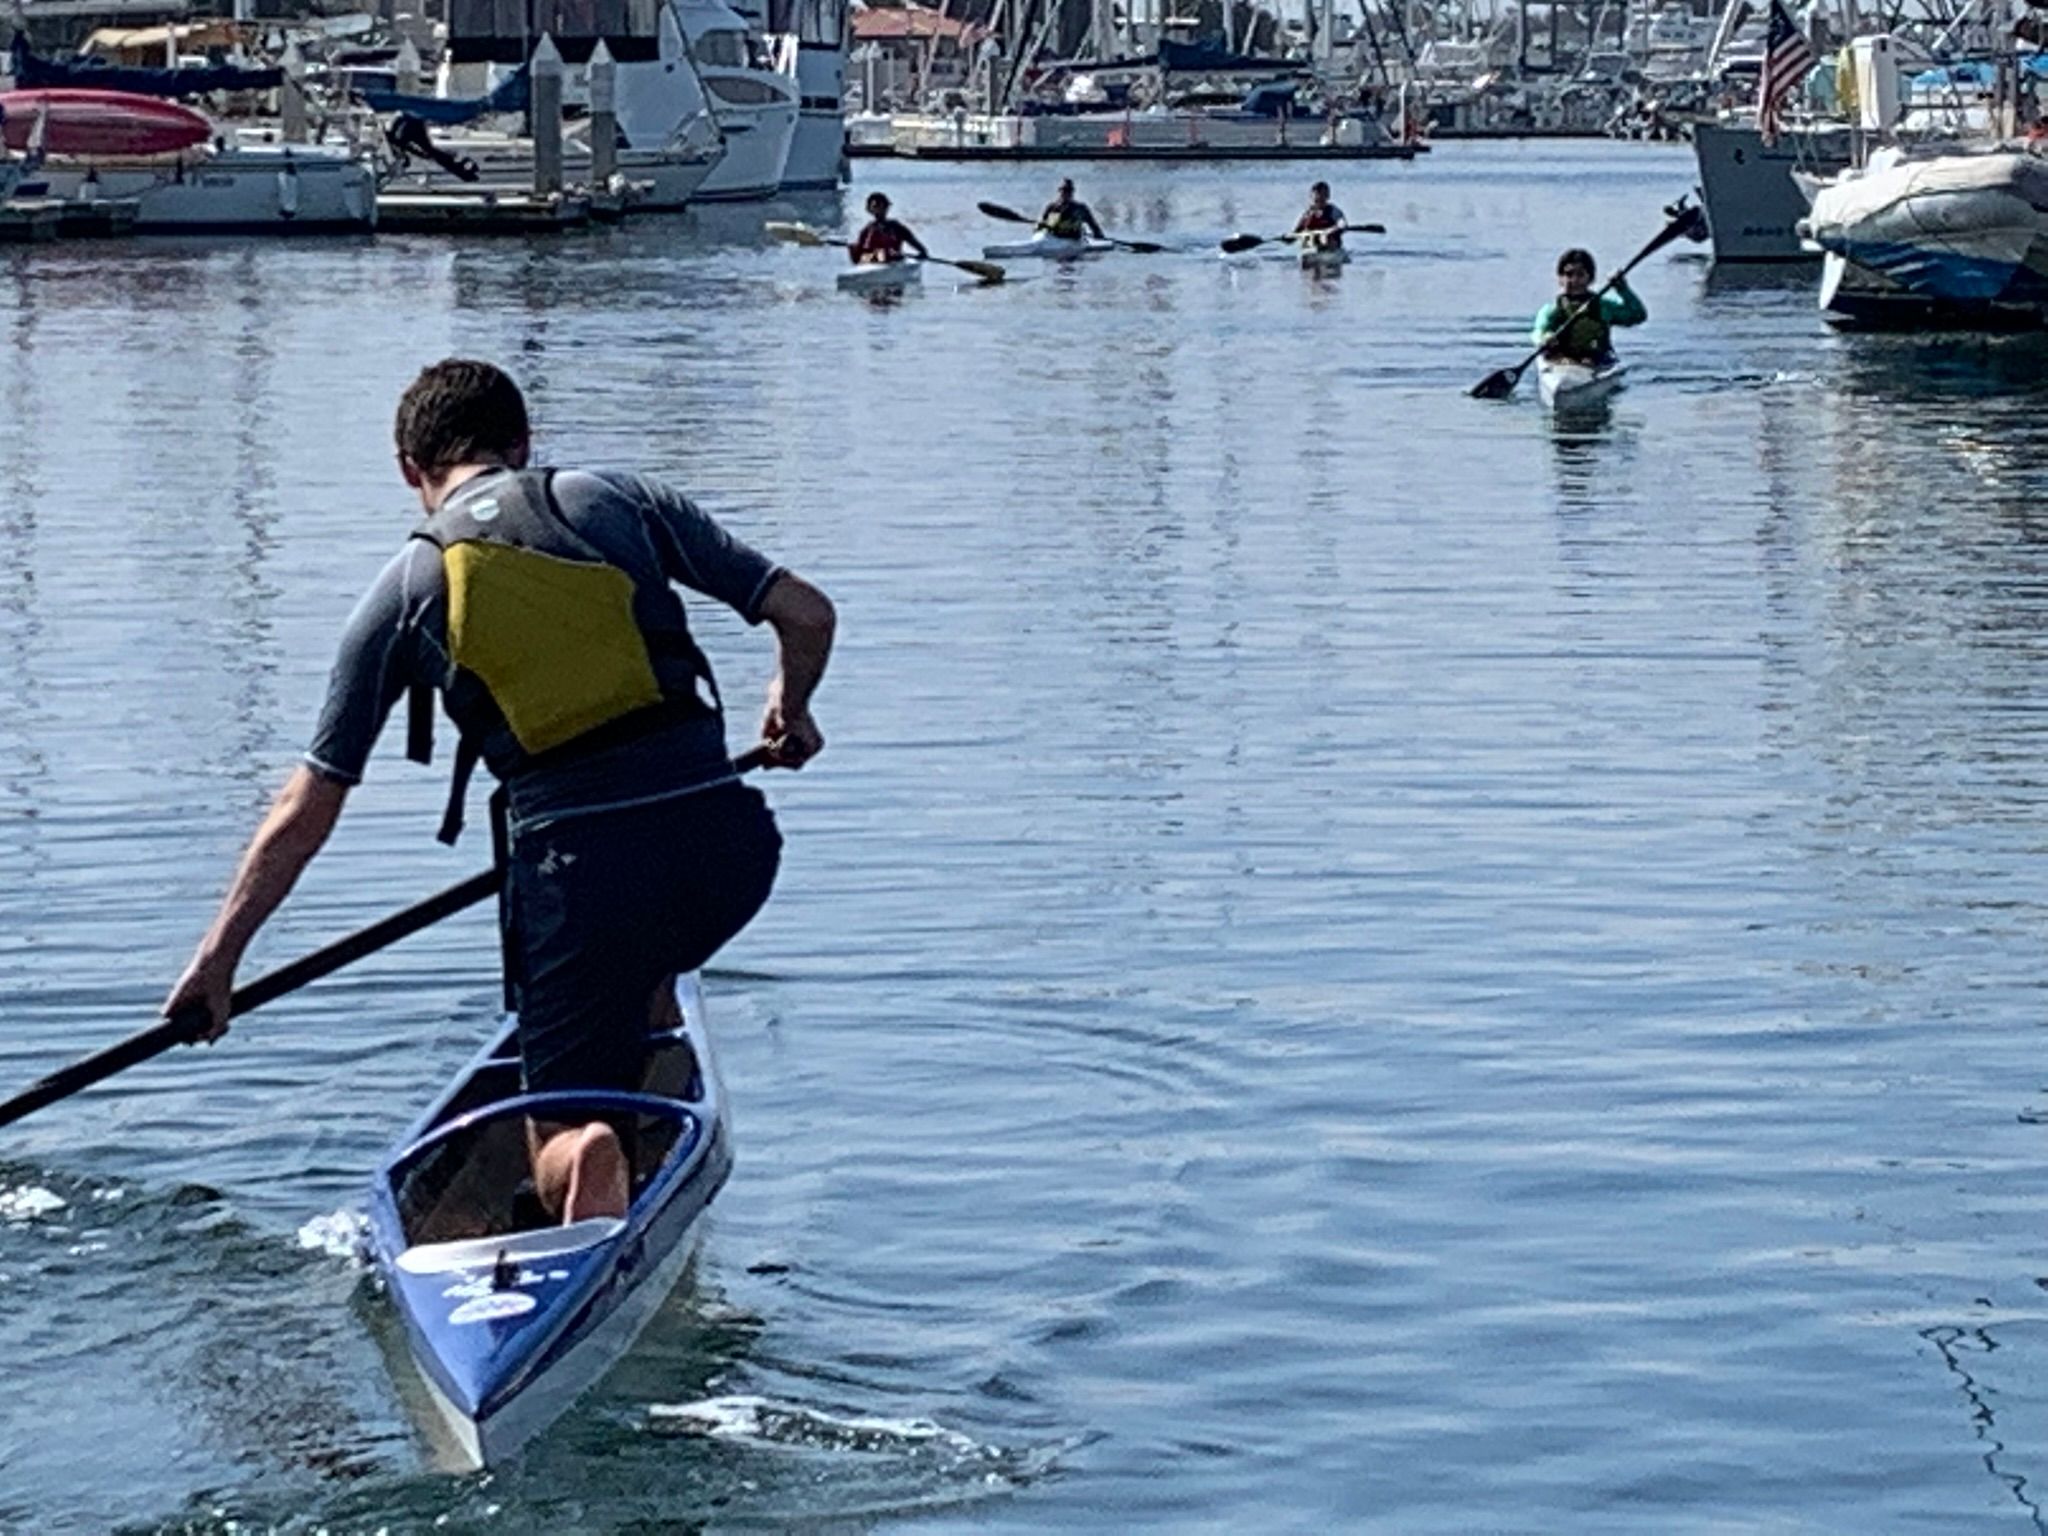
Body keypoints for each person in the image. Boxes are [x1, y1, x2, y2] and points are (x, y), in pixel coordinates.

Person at [162, 359, 835, 1226]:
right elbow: (808, 615)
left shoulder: (403, 593)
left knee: (559, 1113)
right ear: (523, 444)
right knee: (648, 957)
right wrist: (792, 708)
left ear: (411, 470)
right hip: (731, 849)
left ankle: (581, 1152)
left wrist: (216, 966)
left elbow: (306, 809)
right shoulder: (618, 499)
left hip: (579, 875)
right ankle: (643, 1062)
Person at [1531, 247, 1647, 364]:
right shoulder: (1552, 310)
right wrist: (1545, 338)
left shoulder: (1603, 307)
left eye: (1580, 275)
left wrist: (1622, 288)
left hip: (1598, 361)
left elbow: (1638, 315)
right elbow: (1538, 332)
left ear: (1591, 279)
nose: (1574, 280)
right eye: (1568, 274)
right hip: (1561, 362)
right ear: (1560, 279)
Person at [848, 191, 929, 265]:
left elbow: (916, 244)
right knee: (856, 252)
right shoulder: (868, 229)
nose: (878, 211)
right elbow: (859, 257)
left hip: (892, 260)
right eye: (874, 208)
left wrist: (922, 254)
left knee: (886, 255)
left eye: (881, 207)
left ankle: (887, 256)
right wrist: (853, 248)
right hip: (876, 259)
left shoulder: (896, 226)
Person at [1038, 178, 1104, 241]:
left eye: (1068, 191)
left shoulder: (1081, 208)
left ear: (1072, 192)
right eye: (1064, 191)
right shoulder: (1053, 207)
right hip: (1056, 239)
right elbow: (1043, 228)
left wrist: (1099, 236)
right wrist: (1041, 226)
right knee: (1053, 219)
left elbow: (1094, 226)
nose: (1066, 193)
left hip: (1074, 240)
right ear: (1060, 192)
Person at [1292, 181, 1347, 251]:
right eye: (1317, 196)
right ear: (1312, 196)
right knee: (1307, 237)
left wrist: (1331, 230)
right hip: (1310, 246)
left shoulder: (1334, 211)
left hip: (1329, 244)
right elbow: (1296, 231)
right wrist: (1289, 238)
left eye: (1322, 195)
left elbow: (1342, 224)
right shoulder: (1307, 214)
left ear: (1327, 196)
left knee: (1325, 238)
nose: (1319, 198)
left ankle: (1326, 250)